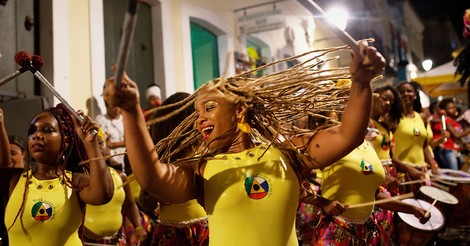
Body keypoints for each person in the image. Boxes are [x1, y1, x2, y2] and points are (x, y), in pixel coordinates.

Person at [106, 42, 385, 245]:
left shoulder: (288, 154)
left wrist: (361, 82)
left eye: (209, 108)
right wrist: (132, 111)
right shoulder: (203, 169)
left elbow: (348, 135)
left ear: (239, 110)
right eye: (197, 113)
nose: (199, 119)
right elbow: (153, 178)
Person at [1, 103, 114, 245]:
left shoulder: (75, 182)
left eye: (47, 130)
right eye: (32, 131)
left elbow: (103, 195)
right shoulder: (15, 180)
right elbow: (3, 163)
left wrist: (91, 143)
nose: (37, 135)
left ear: (65, 140)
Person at [141, 92, 209, 245]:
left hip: (204, 228)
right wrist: (163, 192)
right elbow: (145, 199)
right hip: (171, 232)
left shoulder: (205, 154)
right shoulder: (161, 160)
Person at [83, 136, 147, 245]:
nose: (97, 147)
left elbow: (130, 204)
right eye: (92, 144)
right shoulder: (80, 178)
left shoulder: (120, 176)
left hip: (116, 240)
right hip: (87, 241)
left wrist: (138, 227)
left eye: (100, 143)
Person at [393, 81, 438, 182]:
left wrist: (433, 166)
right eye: (401, 92)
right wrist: (407, 168)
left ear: (415, 95)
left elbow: (425, 145)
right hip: (402, 172)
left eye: (409, 91)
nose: (405, 94)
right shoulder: (393, 119)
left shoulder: (422, 117)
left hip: (422, 170)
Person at [96, 78, 126, 171]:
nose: (116, 109)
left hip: (127, 165)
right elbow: (103, 143)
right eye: (112, 106)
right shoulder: (100, 120)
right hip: (111, 166)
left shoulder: (125, 120)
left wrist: (113, 144)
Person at [435, 97, 470, 170]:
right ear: (444, 110)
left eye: (454, 107)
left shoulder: (456, 122)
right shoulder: (446, 121)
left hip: (457, 151)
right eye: (450, 108)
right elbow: (456, 135)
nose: (453, 109)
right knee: (454, 173)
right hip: (449, 150)